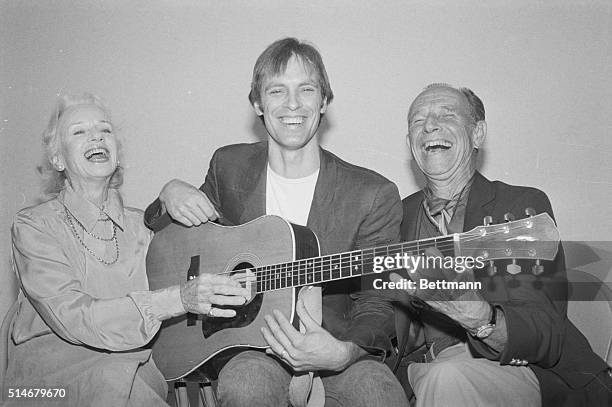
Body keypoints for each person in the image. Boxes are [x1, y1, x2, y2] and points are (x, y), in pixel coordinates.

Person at [144, 38, 408, 407]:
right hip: (251, 347)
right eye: (277, 91)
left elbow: (378, 301)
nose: (293, 104)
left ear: (325, 102)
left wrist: (342, 353)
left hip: (334, 349)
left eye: (306, 90)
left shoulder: (372, 193)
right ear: (257, 104)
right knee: (246, 384)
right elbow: (174, 240)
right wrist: (169, 194)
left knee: (378, 394)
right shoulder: (229, 167)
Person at [4, 93, 250, 407]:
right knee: (116, 381)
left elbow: (216, 247)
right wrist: (178, 298)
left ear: (117, 154)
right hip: (47, 384)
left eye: (104, 130)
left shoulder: (144, 226)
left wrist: (172, 188)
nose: (96, 136)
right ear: (57, 160)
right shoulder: (33, 226)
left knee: (126, 380)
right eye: (79, 132)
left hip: (132, 372)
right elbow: (74, 316)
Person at [394, 83, 612, 406]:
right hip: (419, 371)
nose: (429, 125)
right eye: (417, 120)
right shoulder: (397, 213)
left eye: (446, 114)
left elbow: (546, 331)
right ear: (410, 142)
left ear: (477, 134)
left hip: (513, 368)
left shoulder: (520, 205)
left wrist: (483, 319)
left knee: (447, 377)